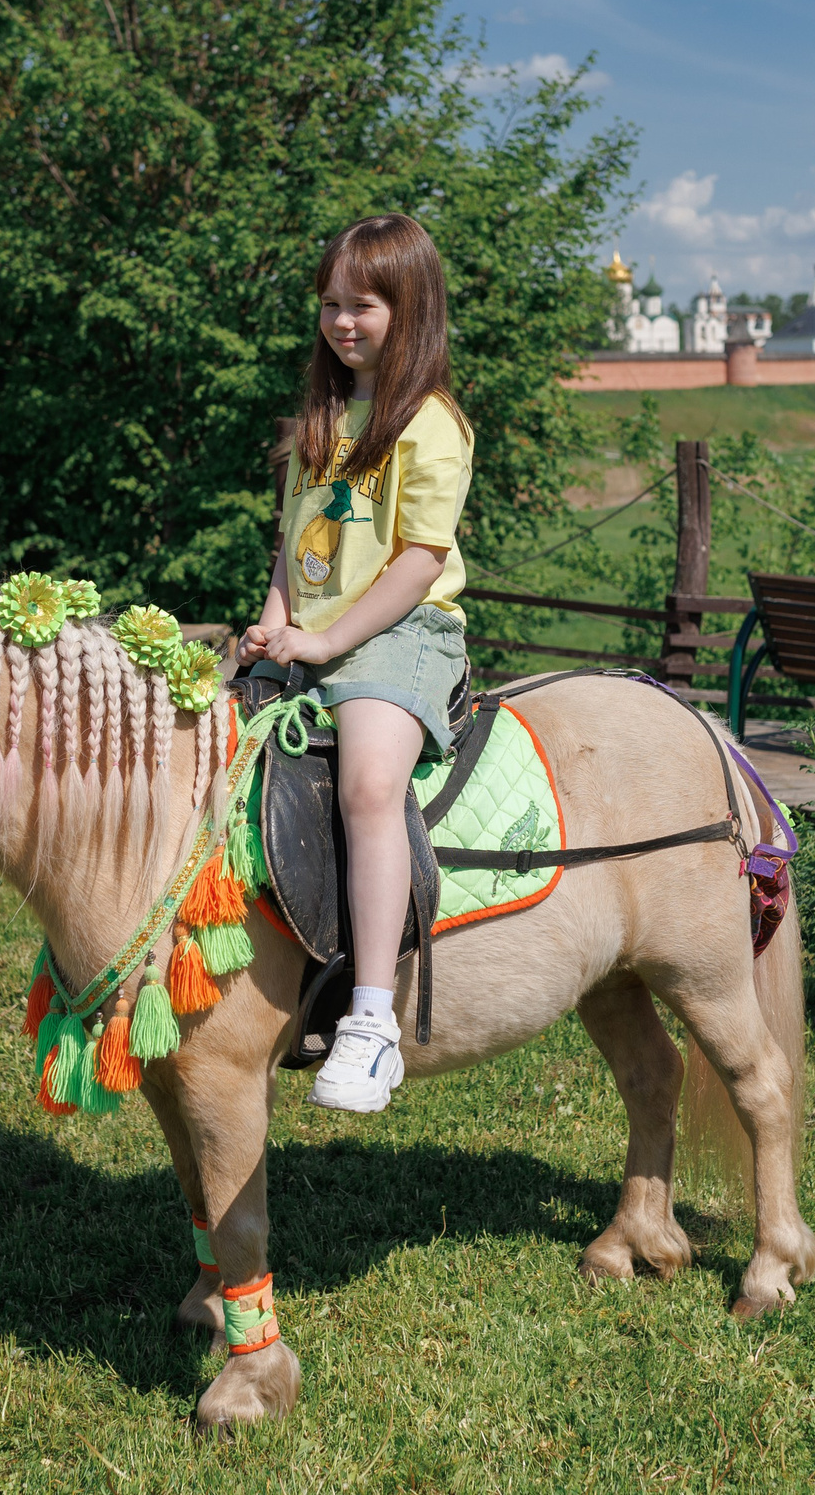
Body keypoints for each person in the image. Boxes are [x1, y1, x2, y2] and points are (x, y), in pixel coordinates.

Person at [238, 212, 473, 1113]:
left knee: (370, 783)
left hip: (404, 632)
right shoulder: (321, 422)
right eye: (330, 304)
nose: (341, 322)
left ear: (409, 311)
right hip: (313, 633)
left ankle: (371, 1018)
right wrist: (273, 625)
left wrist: (331, 641)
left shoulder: (431, 424)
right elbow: (291, 551)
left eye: (363, 305)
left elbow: (418, 557)